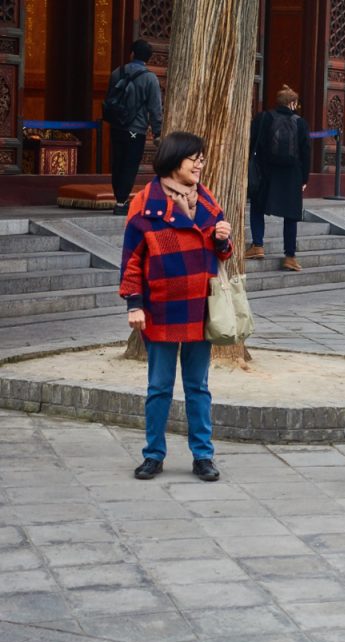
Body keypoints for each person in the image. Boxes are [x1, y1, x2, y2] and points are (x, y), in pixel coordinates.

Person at [119, 132, 233, 482]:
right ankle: (153, 454)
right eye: (193, 158)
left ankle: (203, 455)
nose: (200, 164)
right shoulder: (144, 203)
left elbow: (222, 254)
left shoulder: (209, 200)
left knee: (198, 387)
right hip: (162, 308)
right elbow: (131, 260)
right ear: (174, 159)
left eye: (201, 158)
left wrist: (223, 241)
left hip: (200, 309)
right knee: (159, 386)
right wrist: (134, 304)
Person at [245, 85, 311, 272]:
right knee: (291, 216)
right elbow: (306, 153)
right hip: (292, 174)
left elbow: (251, 142)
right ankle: (290, 256)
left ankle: (258, 245)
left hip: (266, 172)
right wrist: (304, 178)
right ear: (292, 103)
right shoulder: (301, 123)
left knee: (257, 206)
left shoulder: (264, 118)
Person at [107, 39, 163, 216]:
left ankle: (119, 197)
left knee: (117, 163)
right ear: (148, 58)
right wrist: (157, 131)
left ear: (132, 54)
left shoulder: (117, 72)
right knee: (130, 165)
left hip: (116, 126)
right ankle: (121, 202)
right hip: (136, 129)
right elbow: (155, 108)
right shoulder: (150, 78)